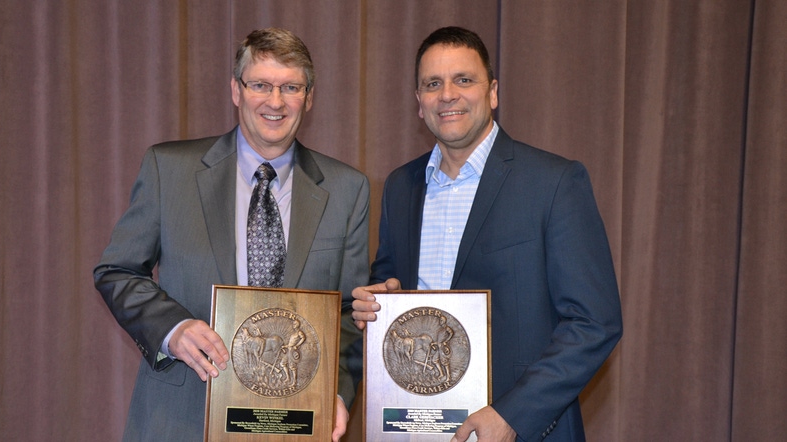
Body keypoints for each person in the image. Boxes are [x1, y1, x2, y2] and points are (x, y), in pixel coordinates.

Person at [94, 27, 369, 441]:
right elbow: (116, 270)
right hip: (181, 419)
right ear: (236, 91)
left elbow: (350, 312)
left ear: (309, 98)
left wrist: (339, 394)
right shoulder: (169, 170)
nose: (275, 101)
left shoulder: (348, 189)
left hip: (297, 422)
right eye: (260, 84)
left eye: (290, 87)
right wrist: (174, 330)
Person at [352, 26, 622, 442]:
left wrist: (512, 415)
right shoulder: (401, 187)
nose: (447, 94)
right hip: (417, 427)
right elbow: (390, 287)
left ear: (492, 92)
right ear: (419, 104)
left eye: (463, 79)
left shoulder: (553, 183)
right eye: (432, 84)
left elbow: (594, 322)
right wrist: (375, 305)